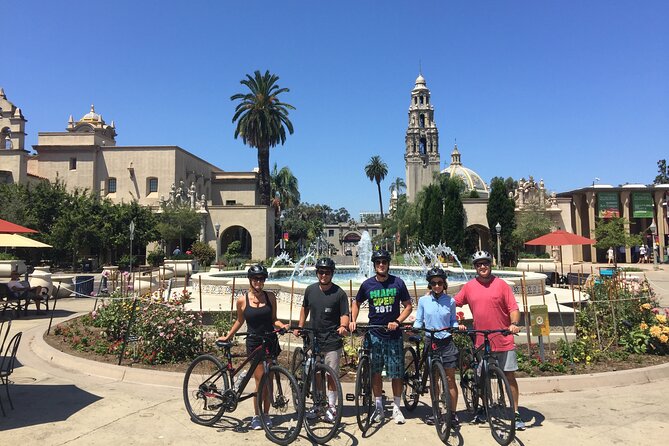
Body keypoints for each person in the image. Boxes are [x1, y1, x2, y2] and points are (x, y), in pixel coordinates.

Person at [454, 251, 525, 431]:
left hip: (503, 338)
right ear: (475, 267)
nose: (482, 267)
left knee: (509, 376)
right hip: (481, 340)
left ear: (490, 264)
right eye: (479, 264)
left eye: (485, 263)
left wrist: (514, 324)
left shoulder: (501, 285)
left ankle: (515, 413)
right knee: (482, 379)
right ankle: (483, 409)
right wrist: (452, 319)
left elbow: (513, 308)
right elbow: (453, 303)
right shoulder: (469, 287)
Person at [218, 264, 289, 430]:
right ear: (250, 280)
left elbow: (273, 319)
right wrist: (228, 336)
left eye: (262, 279)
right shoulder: (242, 300)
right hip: (254, 343)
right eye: (256, 278)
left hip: (270, 341)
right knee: (260, 380)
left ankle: (266, 414)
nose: (259, 281)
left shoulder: (270, 297)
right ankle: (257, 416)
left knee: (269, 379)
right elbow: (239, 320)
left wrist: (282, 326)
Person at [349, 249, 413, 425]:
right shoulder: (367, 285)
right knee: (376, 372)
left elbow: (408, 306)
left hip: (393, 335)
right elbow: (356, 302)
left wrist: (398, 321)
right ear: (374, 265)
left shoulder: (398, 283)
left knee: (396, 372)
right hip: (374, 334)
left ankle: (397, 408)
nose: (381, 265)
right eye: (378, 262)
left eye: (384, 262)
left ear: (388, 264)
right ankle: (378, 408)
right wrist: (353, 320)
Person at [295, 257, 349, 422]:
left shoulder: (339, 293)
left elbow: (344, 314)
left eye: (327, 272)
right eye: (321, 272)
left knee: (331, 376)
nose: (323, 275)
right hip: (314, 340)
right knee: (316, 374)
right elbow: (305, 308)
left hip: (332, 340)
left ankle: (331, 407)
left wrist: (343, 326)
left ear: (332, 274)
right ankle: (318, 405)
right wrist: (300, 326)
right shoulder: (310, 290)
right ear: (317, 273)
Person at [412, 267, 464, 427]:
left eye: (440, 283)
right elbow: (419, 319)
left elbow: (452, 321)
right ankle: (437, 412)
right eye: (433, 283)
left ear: (444, 284)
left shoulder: (450, 301)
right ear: (430, 284)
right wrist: (416, 326)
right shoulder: (423, 301)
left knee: (449, 380)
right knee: (434, 379)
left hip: (446, 341)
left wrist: (457, 326)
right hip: (430, 341)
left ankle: (453, 414)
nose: (437, 286)